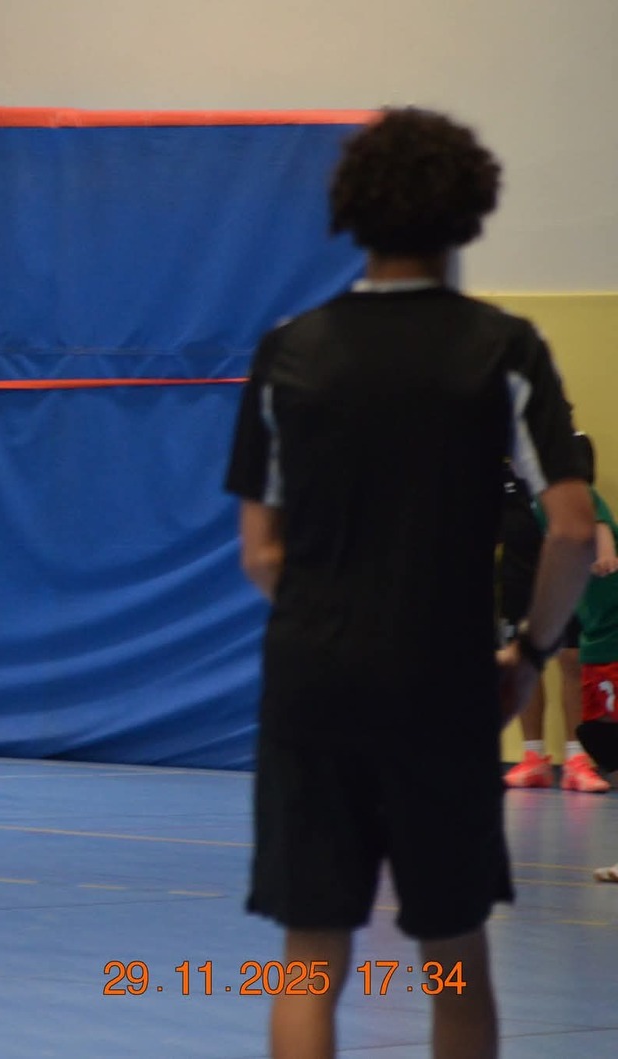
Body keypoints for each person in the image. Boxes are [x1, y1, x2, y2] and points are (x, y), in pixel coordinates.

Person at [224, 108, 596, 1059]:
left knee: (311, 958)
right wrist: (529, 651)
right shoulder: (504, 348)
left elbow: (261, 553)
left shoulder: (289, 350)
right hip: (443, 682)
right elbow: (570, 529)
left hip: (313, 681)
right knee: (453, 956)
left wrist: (330, 621)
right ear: (470, 210)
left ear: (352, 211)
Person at [501, 435, 616, 792]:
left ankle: (579, 759)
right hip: (529, 581)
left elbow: (594, 519)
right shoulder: (511, 478)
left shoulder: (572, 470)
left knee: (578, 666)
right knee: (524, 664)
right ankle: (535, 757)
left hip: (582, 593)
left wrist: (604, 553)